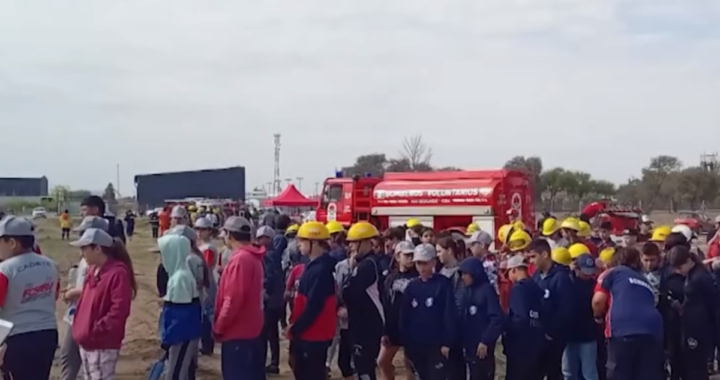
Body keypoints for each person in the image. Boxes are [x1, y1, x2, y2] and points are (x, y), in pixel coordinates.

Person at [70, 228, 135, 380]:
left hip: (101, 342)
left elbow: (119, 311)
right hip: (87, 340)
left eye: (84, 249)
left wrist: (96, 330)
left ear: (98, 249)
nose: (82, 254)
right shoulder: (93, 270)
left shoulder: (117, 273)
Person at [0, 216, 59, 380]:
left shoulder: (5, 270)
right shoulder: (50, 264)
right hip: (48, 334)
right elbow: (53, 296)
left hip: (16, 339)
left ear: (12, 243)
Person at [592, 247, 664, 380]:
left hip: (623, 328)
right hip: (653, 329)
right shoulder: (644, 280)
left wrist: (598, 317)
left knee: (619, 373)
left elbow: (598, 301)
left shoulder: (613, 272)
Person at [214, 216, 265, 380]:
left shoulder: (240, 259)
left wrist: (219, 327)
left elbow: (232, 299)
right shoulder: (252, 258)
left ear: (230, 235)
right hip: (250, 330)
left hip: (237, 333)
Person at [62, 216, 110, 380]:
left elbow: (97, 291)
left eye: (83, 233)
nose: (79, 237)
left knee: (79, 363)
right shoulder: (86, 259)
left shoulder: (102, 262)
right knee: (69, 359)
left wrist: (73, 293)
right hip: (77, 314)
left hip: (87, 318)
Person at [287, 222, 337, 380]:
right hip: (308, 333)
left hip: (313, 335)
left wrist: (296, 328)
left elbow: (314, 306)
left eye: (302, 241)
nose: (298, 245)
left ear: (314, 243)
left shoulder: (321, 270)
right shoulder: (314, 266)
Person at [400, 243, 456, 380]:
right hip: (416, 344)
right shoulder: (412, 287)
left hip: (436, 345)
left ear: (433, 262)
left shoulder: (443, 284)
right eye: (418, 263)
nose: (421, 267)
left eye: (425, 263)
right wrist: (406, 342)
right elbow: (404, 315)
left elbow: (449, 314)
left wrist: (447, 342)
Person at [666, 245, 720, 380]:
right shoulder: (696, 274)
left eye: (680, 267)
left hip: (698, 330)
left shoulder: (698, 278)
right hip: (697, 327)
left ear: (689, 261)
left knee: (696, 368)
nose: (678, 271)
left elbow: (709, 304)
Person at [343, 222, 386, 380]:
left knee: (364, 370)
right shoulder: (365, 264)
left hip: (368, 325)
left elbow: (348, 292)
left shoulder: (368, 265)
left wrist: (350, 270)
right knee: (361, 367)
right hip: (363, 324)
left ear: (365, 242)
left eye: (354, 242)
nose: (351, 247)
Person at [158, 233, 203, 380]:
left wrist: (167, 340)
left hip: (181, 336)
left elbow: (180, 317)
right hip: (182, 334)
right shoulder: (179, 275)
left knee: (176, 374)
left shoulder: (180, 279)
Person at [528, 238, 574, 380]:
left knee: (554, 373)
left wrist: (551, 333)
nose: (531, 261)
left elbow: (565, 309)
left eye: (533, 257)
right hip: (537, 337)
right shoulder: (536, 277)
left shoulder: (561, 277)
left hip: (554, 338)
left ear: (544, 255)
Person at [458, 257, 504, 380]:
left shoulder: (487, 290)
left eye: (465, 274)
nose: (463, 277)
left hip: (482, 348)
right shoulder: (466, 291)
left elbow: (497, 318)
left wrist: (486, 340)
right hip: (468, 347)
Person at [378, 241, 418, 380]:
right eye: (406, 255)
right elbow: (385, 303)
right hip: (394, 326)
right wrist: (385, 330)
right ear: (397, 256)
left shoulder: (418, 276)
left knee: (410, 365)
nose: (410, 258)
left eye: (412, 255)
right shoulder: (390, 277)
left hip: (413, 327)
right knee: (382, 361)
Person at [503, 255, 545, 380]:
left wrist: (508, 332)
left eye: (508, 273)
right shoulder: (537, 287)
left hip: (520, 346)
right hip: (537, 343)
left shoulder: (518, 289)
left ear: (514, 270)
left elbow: (520, 317)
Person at [564, 253, 599, 380]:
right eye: (585, 273)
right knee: (568, 372)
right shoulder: (566, 282)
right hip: (569, 334)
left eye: (590, 272)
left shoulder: (594, 284)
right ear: (576, 268)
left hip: (588, 334)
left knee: (589, 372)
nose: (588, 276)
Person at [436, 236, 466, 380]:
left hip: (456, 328)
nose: (437, 255)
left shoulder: (459, 272)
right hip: (442, 326)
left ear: (449, 250)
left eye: (439, 251)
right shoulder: (441, 271)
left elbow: (459, 302)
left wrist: (453, 327)